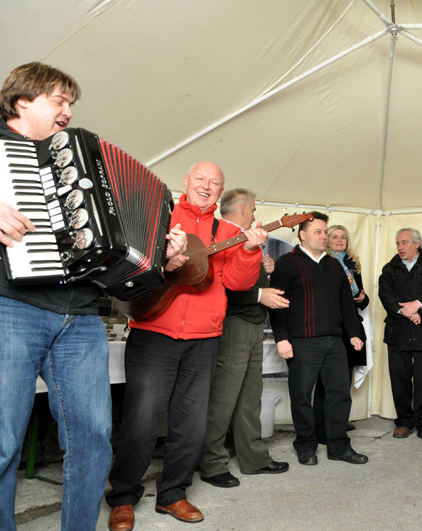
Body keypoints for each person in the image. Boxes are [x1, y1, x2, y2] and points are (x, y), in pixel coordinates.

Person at [0, 62, 184, 531]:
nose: (67, 112)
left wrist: (161, 254)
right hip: (4, 306)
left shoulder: (81, 161)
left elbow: (114, 256)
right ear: (22, 100)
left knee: (94, 440)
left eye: (71, 104)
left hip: (80, 315)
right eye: (58, 101)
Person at [106, 162, 267, 530]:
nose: (206, 186)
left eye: (215, 183)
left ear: (221, 191)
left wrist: (249, 251)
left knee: (190, 423)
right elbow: (127, 268)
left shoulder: (229, 232)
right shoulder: (159, 219)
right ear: (186, 182)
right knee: (141, 420)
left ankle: (173, 494)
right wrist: (165, 261)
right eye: (200, 179)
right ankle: (123, 497)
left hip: (203, 338)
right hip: (153, 332)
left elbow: (239, 283)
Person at [198, 189, 290, 490]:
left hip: (251, 324)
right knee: (223, 399)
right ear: (242, 209)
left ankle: (254, 459)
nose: (254, 214)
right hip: (232, 325)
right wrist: (260, 294)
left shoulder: (244, 238)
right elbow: (217, 285)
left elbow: (242, 278)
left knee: (250, 397)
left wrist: (264, 272)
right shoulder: (220, 236)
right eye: (252, 209)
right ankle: (212, 464)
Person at [268, 212, 367, 466]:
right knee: (302, 397)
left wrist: (354, 334)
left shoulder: (334, 265)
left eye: (325, 232)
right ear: (303, 235)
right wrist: (281, 339)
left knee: (340, 395)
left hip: (335, 342)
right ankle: (305, 446)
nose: (324, 236)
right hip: (302, 343)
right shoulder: (287, 263)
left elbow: (346, 304)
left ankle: (339, 447)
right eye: (318, 232)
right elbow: (277, 304)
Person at [378, 228, 422, 443]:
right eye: (398, 243)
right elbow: (385, 293)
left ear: (417, 244)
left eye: (405, 242)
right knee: (399, 379)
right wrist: (405, 311)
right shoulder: (389, 268)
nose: (400, 247)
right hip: (398, 330)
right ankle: (404, 421)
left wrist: (417, 305)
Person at [313, 224, 369, 441]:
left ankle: (338, 422)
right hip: (332, 326)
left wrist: (362, 298)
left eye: (343, 237)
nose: (339, 240)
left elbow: (362, 299)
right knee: (325, 381)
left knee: (344, 380)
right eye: (334, 236)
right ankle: (322, 426)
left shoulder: (353, 264)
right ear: (326, 240)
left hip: (351, 326)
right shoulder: (322, 262)